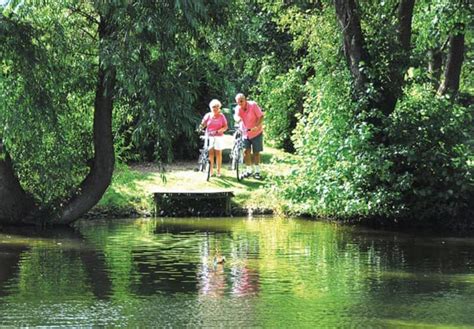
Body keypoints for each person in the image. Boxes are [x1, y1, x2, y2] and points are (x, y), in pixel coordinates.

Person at [233, 93, 264, 179]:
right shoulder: (238, 108)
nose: (240, 103)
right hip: (245, 132)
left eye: (241, 101)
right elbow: (236, 116)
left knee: (256, 152)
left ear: (245, 99)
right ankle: (249, 170)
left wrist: (256, 126)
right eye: (238, 102)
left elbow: (261, 116)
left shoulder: (253, 105)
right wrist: (237, 119)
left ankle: (257, 172)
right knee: (246, 152)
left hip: (256, 132)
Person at [200, 99, 228, 177]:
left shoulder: (222, 116)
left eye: (217, 107)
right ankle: (211, 170)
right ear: (210, 108)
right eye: (213, 107)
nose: (215, 108)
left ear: (219, 107)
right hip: (209, 136)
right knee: (210, 153)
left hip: (219, 136)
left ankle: (219, 171)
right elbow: (203, 124)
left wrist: (220, 130)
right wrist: (200, 127)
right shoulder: (208, 115)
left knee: (218, 153)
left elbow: (225, 127)